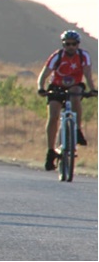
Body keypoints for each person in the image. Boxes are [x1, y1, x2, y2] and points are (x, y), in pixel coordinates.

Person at [37, 30, 97, 171]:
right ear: (63, 44)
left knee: (75, 93)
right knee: (53, 116)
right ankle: (51, 151)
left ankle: (77, 129)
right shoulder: (57, 56)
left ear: (78, 45)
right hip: (57, 86)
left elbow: (87, 74)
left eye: (74, 44)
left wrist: (93, 89)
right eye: (68, 44)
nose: (71, 47)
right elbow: (44, 74)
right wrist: (41, 88)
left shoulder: (83, 56)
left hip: (74, 85)